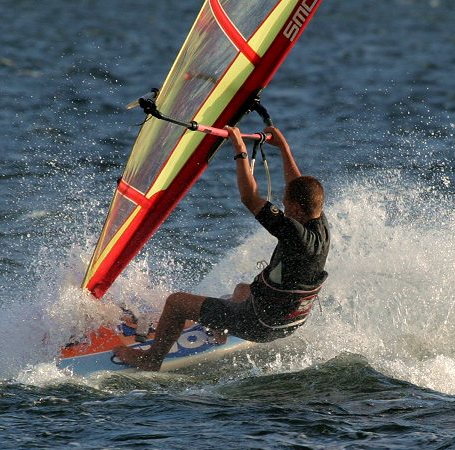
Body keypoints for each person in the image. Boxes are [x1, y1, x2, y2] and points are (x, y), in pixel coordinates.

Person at [114, 125, 330, 371]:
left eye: (287, 206)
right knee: (240, 290)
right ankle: (219, 328)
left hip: (261, 323)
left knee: (176, 303)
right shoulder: (319, 222)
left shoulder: (296, 234)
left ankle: (151, 359)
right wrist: (284, 148)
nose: (283, 206)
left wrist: (239, 149)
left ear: (298, 210)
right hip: (289, 321)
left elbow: (251, 198)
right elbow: (298, 187)